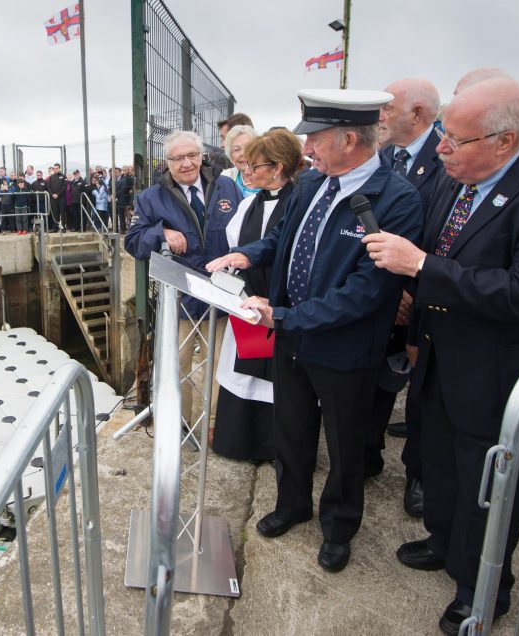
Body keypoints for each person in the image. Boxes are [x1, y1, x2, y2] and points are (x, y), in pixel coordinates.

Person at [364, 76, 519, 635]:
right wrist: (417, 324)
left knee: (493, 490)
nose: (440, 148)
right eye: (442, 135)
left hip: (507, 378)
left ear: (504, 139)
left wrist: (419, 269)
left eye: (455, 140)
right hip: (445, 358)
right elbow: (448, 248)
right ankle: (443, 543)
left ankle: (484, 590)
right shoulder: (460, 172)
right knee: (440, 464)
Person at [206, 89, 422, 573]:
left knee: (345, 443)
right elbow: (283, 239)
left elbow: (369, 292)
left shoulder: (398, 200)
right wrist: (249, 254)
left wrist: (281, 318)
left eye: (316, 139)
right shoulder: (311, 185)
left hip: (344, 347)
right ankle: (292, 503)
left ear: (348, 139)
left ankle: (339, 526)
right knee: (292, 427)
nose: (307, 149)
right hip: (293, 336)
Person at [127, 129, 242, 428]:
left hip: (221, 293)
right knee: (178, 365)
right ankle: (181, 424)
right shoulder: (150, 198)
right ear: (167, 162)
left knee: (218, 364)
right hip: (179, 299)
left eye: (192, 155)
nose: (186, 163)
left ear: (202, 156)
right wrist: (161, 233)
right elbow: (133, 242)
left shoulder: (227, 186)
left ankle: (214, 425)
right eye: (177, 158)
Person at [367, 77, 443, 516]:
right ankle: (368, 452)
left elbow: (444, 235)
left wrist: (413, 289)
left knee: (423, 387)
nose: (380, 117)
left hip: (424, 293)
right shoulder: (386, 157)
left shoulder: (446, 159)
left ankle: (419, 475)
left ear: (417, 114)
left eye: (387, 109)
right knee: (380, 374)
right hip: (383, 288)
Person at [211, 128, 303, 463]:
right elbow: (234, 243)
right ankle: (240, 442)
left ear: (277, 167)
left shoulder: (300, 203)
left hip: (281, 305)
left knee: (281, 381)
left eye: (254, 166)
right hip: (246, 300)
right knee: (243, 373)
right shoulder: (248, 203)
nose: (246, 172)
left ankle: (276, 448)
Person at [221, 124, 260, 197]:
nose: (243, 153)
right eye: (237, 149)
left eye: (248, 147)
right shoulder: (226, 178)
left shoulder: (271, 175)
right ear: (231, 156)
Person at [47, 163, 68, 231]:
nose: (55, 169)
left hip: (61, 198)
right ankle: (55, 227)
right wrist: (52, 194)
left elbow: (64, 187)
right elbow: (49, 187)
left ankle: (63, 227)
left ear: (59, 169)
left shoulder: (63, 176)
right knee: (55, 213)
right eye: (54, 168)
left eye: (56, 168)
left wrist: (58, 194)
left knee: (63, 212)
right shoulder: (51, 177)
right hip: (53, 198)